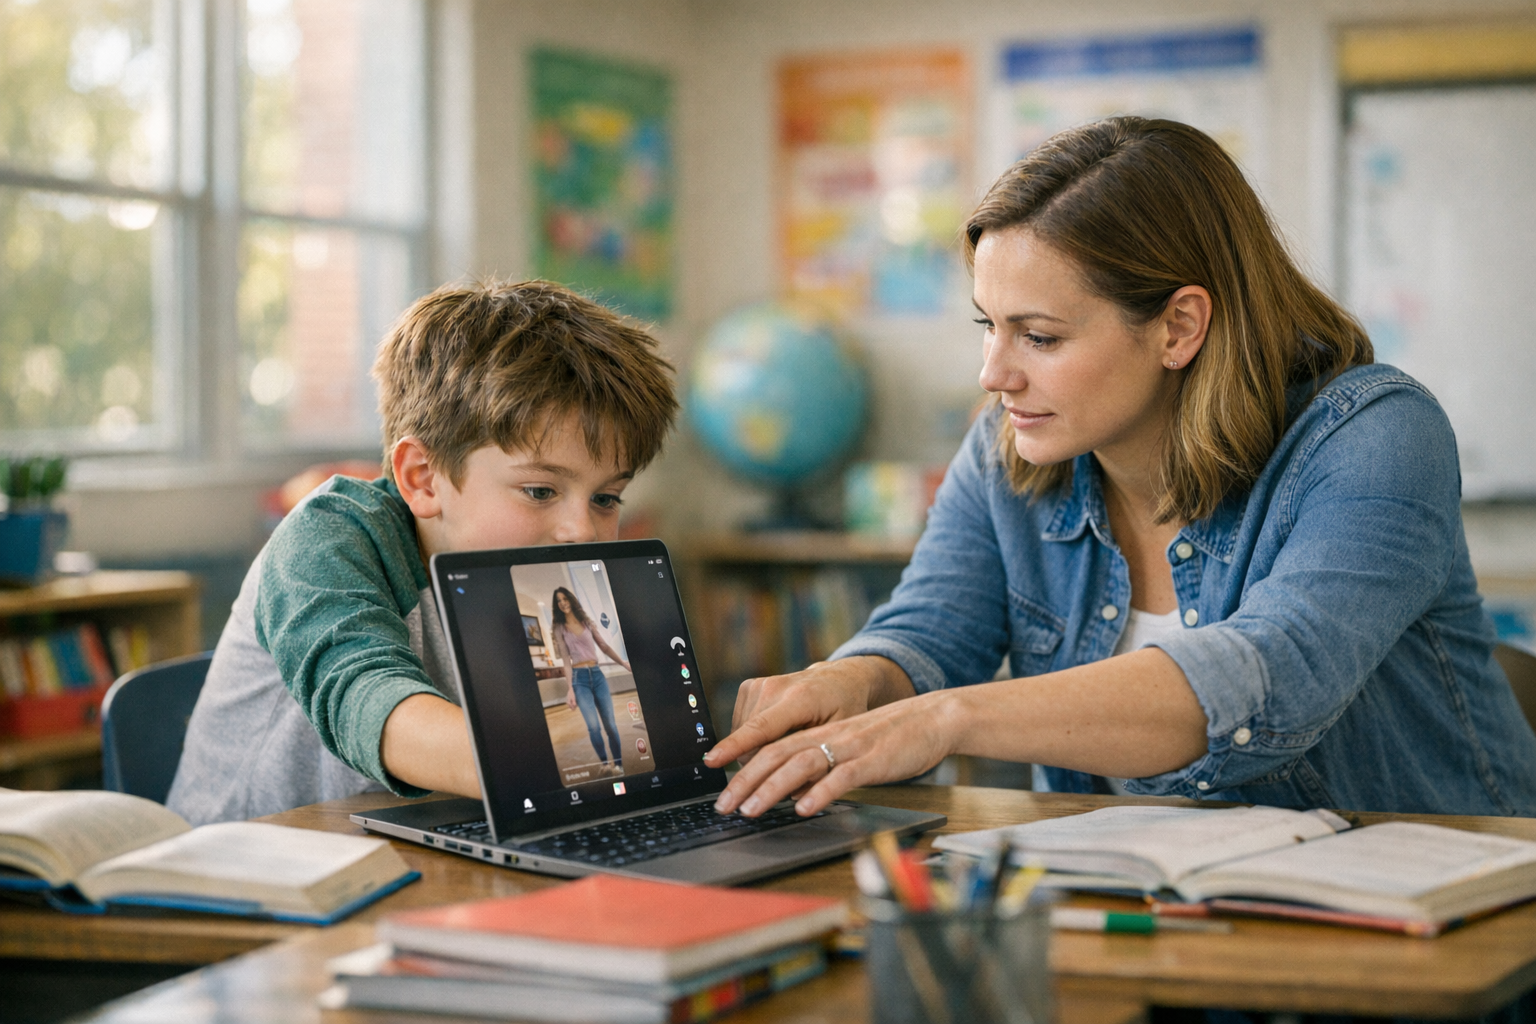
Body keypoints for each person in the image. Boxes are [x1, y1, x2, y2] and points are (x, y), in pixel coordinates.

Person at [706, 116, 1536, 821]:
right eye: (988, 326)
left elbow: (1271, 674)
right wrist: (854, 679)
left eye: (1039, 337)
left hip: (1438, 919)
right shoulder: (1006, 449)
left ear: (1179, 327)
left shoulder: (1378, 436)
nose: (994, 375)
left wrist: (947, 718)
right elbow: (930, 634)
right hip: (1152, 914)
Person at [167, 280, 677, 825]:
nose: (583, 530)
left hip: (413, 849)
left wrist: (699, 751)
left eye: (606, 498)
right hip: (242, 860)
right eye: (539, 491)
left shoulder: (537, 578)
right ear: (424, 478)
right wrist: (577, 762)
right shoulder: (328, 539)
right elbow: (372, 703)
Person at [549, 585, 631, 774]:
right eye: (558, 601)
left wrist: (623, 663)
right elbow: (566, 661)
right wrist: (570, 689)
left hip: (597, 675)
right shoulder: (559, 628)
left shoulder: (586, 622)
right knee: (593, 727)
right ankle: (605, 764)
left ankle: (618, 764)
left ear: (570, 600)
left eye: (564, 599)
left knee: (610, 725)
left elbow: (604, 646)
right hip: (579, 679)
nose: (562, 603)